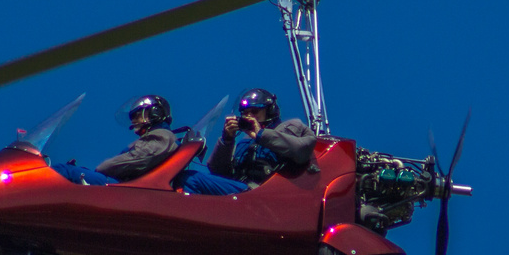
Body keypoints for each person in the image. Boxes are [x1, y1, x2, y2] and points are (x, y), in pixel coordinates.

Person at [181, 88, 315, 194]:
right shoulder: (245, 141)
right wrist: (227, 140)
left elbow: (302, 150)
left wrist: (262, 134)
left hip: (266, 194)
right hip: (241, 194)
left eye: (255, 112)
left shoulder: (290, 127)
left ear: (270, 111)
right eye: (245, 113)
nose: (249, 116)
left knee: (190, 179)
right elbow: (218, 173)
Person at [53, 94, 181, 185]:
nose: (133, 122)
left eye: (137, 115)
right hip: (126, 186)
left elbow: (137, 159)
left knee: (65, 171)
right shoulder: (157, 138)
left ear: (155, 113)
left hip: (125, 189)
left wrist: (101, 169)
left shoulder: (162, 136)